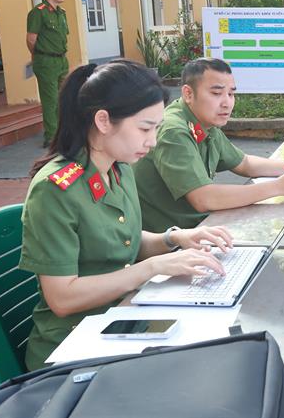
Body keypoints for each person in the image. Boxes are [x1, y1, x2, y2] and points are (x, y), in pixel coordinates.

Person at [19, 60, 235, 370]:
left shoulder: (119, 169)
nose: (153, 140)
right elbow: (62, 298)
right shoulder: (55, 190)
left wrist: (175, 239)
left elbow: (125, 241)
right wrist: (151, 268)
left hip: (123, 320)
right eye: (145, 128)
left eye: (157, 128)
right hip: (73, 348)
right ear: (104, 121)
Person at [133, 58, 284, 233]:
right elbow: (204, 198)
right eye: (216, 93)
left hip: (199, 229)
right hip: (171, 240)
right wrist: (277, 187)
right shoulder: (174, 131)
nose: (227, 103)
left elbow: (244, 163)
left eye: (231, 94)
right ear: (188, 93)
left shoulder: (204, 120)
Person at [27, 0, 70, 147]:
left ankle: (63, 132)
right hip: (46, 60)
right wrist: (38, 55)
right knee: (50, 100)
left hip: (61, 59)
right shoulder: (38, 12)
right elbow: (31, 39)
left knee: (64, 97)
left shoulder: (61, 13)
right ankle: (52, 137)